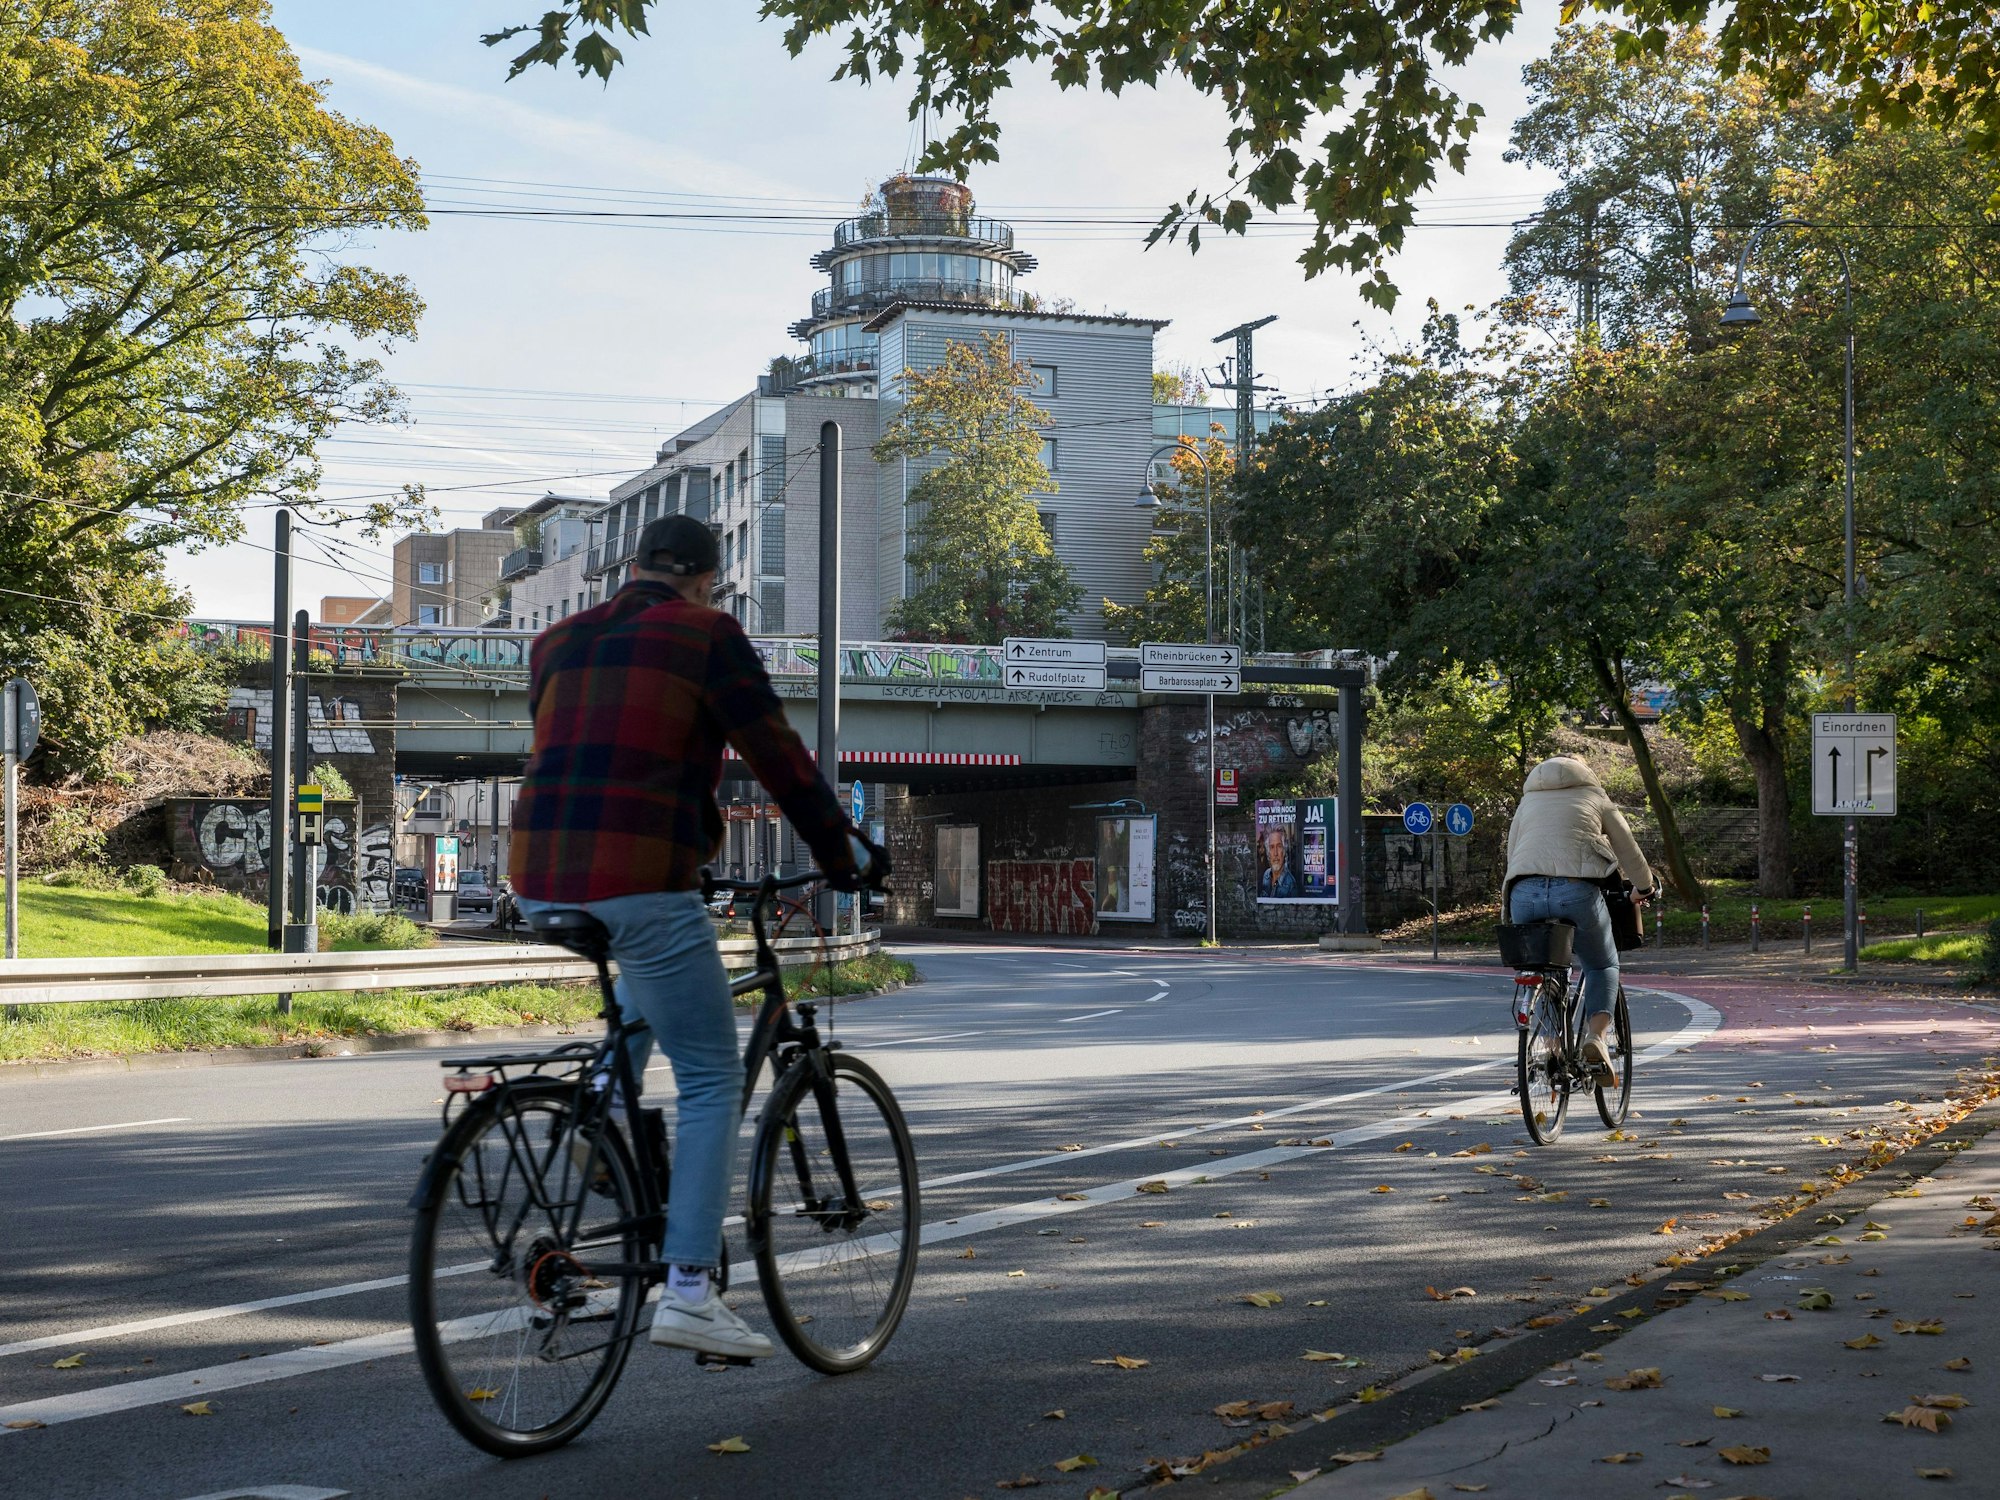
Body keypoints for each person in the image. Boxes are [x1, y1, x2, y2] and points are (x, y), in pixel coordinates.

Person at [508, 514, 887, 1362]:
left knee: (647, 978)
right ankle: (688, 1290)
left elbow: (595, 752)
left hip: (536, 876)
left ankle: (599, 1116)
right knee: (714, 1076)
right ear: (707, 579)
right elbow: (779, 757)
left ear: (633, 567)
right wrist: (841, 854)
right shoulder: (707, 633)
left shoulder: (557, 640)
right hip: (640, 872)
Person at [1503, 755, 1656, 1084]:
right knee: (1602, 965)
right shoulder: (1594, 796)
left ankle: (1553, 1050)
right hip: (1575, 891)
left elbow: (1513, 852)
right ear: (1587, 773)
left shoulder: (1529, 800)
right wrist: (1645, 886)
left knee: (1544, 971)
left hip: (1523, 894)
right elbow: (1628, 849)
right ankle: (1596, 1039)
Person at [1258, 825, 1299, 898]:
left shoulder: (1291, 884)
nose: (1275, 853)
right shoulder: (1266, 875)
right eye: (1272, 847)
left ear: (1284, 850)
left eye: (1279, 846)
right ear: (1268, 852)